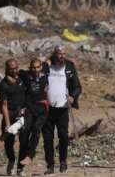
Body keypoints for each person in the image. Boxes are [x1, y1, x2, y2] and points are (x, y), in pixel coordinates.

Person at [42, 46, 82, 175]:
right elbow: (36, 77)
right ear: (54, 54)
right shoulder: (47, 66)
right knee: (48, 139)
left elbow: (77, 86)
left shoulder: (69, 66)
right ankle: (50, 165)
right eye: (59, 54)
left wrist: (72, 96)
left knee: (63, 136)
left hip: (63, 108)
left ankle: (63, 161)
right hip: (47, 109)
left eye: (64, 53)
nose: (62, 56)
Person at [0, 58, 27, 176]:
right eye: (12, 69)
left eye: (16, 68)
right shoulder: (3, 84)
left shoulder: (21, 78)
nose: (15, 70)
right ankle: (11, 160)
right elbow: (4, 105)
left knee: (24, 141)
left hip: (22, 113)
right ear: (7, 69)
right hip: (9, 114)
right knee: (9, 143)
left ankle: (21, 167)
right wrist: (8, 123)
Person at [20, 59, 49, 167]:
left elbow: (50, 61)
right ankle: (23, 157)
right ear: (30, 68)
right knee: (25, 130)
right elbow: (14, 72)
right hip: (30, 108)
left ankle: (30, 155)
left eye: (37, 67)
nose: (35, 69)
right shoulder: (25, 75)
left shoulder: (45, 74)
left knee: (36, 129)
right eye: (33, 67)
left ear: (40, 67)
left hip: (42, 108)